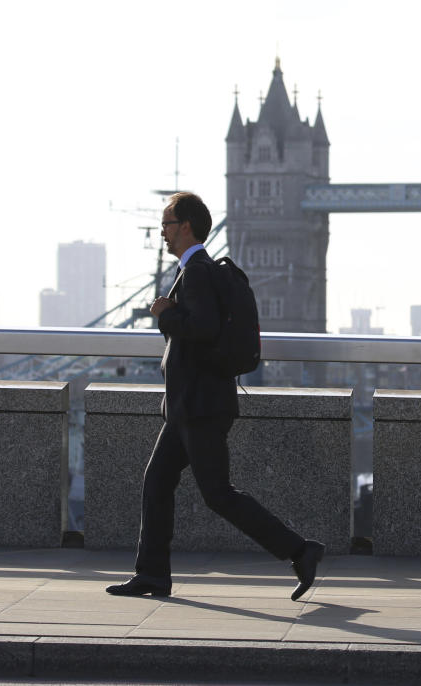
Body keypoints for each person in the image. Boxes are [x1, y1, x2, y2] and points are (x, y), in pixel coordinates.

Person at [106, 192, 323, 600]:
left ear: (186, 226)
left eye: (167, 225)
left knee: (218, 494)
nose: (163, 234)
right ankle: (151, 575)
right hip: (188, 406)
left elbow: (202, 329)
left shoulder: (199, 271)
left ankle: (300, 549)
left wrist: (165, 314)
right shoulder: (195, 271)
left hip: (201, 407)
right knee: (156, 484)